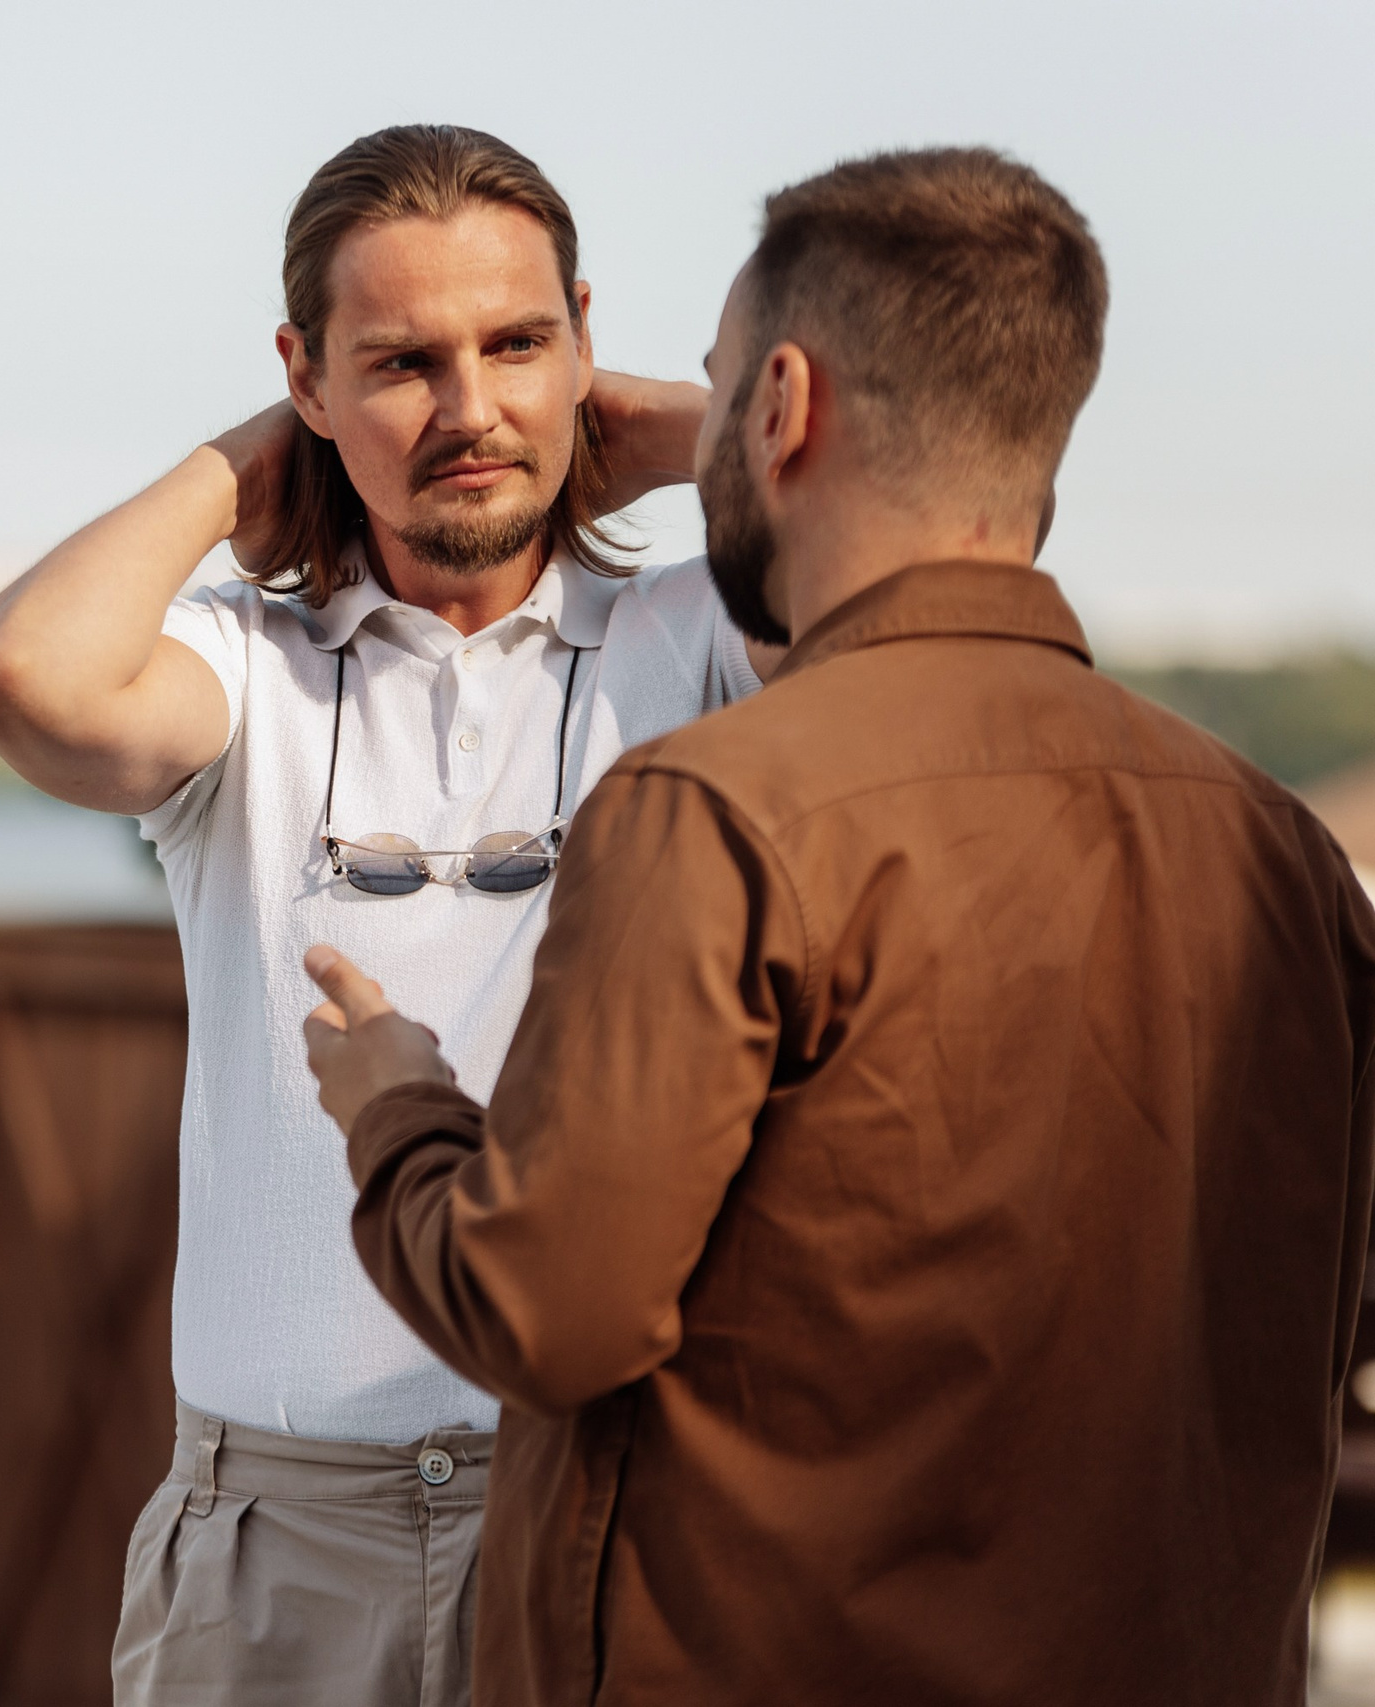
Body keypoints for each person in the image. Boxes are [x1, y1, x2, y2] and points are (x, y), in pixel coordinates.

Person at [302, 147, 1375, 1705]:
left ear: (787, 408)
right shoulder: (1282, 851)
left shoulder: (722, 812)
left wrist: (395, 1101)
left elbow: (546, 1304)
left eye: (722, 390)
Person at [0, 125, 777, 1705]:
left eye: (520, 345)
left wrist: (671, 435)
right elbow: (16, 677)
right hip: (274, 1534)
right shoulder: (244, 668)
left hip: (601, 1504)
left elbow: (907, 564)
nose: (472, 411)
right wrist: (236, 468)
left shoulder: (708, 637)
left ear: (587, 342)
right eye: (401, 362)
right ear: (306, 380)